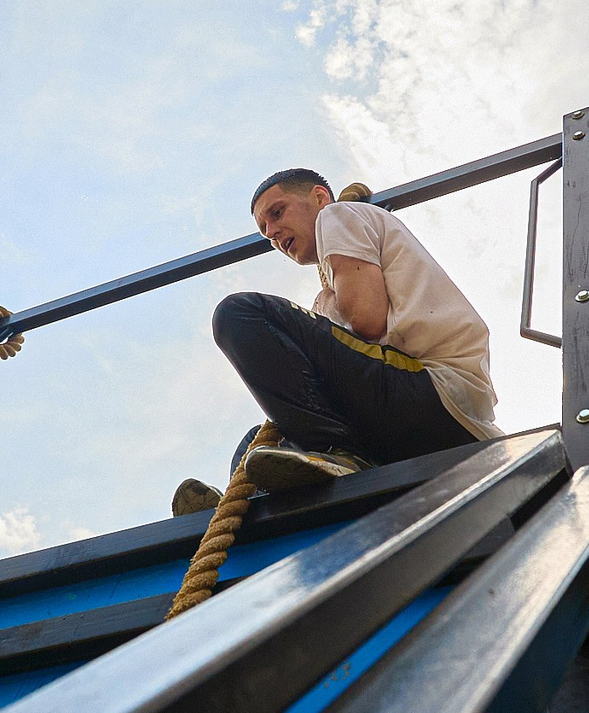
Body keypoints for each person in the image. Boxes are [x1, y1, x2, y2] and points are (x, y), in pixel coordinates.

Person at [173, 168, 505, 512]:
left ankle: (340, 453)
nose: (271, 233)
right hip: (411, 414)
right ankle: (242, 512)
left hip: (433, 393)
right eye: (264, 231)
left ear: (319, 197)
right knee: (252, 447)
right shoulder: (327, 295)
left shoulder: (337, 215)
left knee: (238, 314)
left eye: (277, 213)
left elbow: (367, 321)